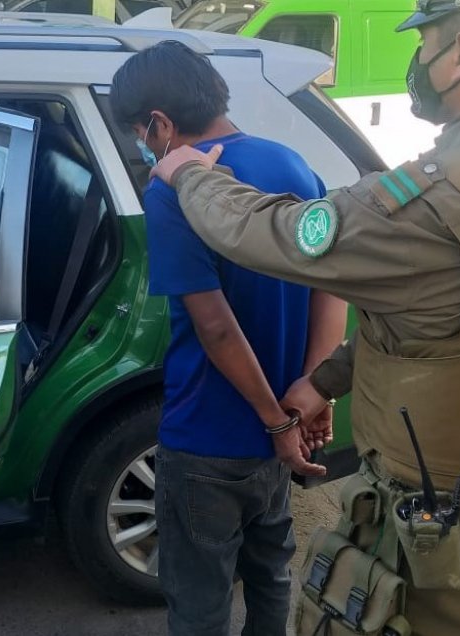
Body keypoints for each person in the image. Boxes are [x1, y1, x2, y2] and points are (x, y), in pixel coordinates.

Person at [149, 0, 460, 633]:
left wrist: (186, 176)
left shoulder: (443, 203)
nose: (417, 61)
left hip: (434, 547)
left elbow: (276, 234)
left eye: (424, 44)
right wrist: (322, 382)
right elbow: (453, 325)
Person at [109, 41, 348, 636]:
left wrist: (276, 419)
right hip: (278, 442)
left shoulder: (172, 191)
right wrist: (310, 397)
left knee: (200, 604)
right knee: (272, 577)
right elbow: (331, 289)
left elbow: (215, 325)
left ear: (160, 124)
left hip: (208, 442)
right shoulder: (293, 165)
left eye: (141, 133)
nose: (145, 147)